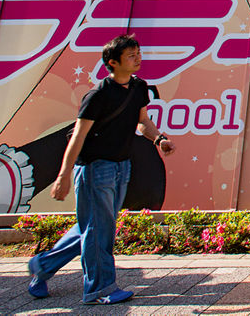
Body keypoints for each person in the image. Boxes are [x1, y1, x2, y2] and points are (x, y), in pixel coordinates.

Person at [26, 35, 176, 304]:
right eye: (131, 55)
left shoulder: (139, 88)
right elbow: (78, 137)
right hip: (95, 168)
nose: (138, 58)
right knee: (98, 229)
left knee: (94, 226)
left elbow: (142, 121)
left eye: (138, 53)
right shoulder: (97, 96)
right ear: (112, 62)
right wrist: (63, 176)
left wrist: (159, 139)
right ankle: (99, 289)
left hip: (121, 166)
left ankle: (43, 266)